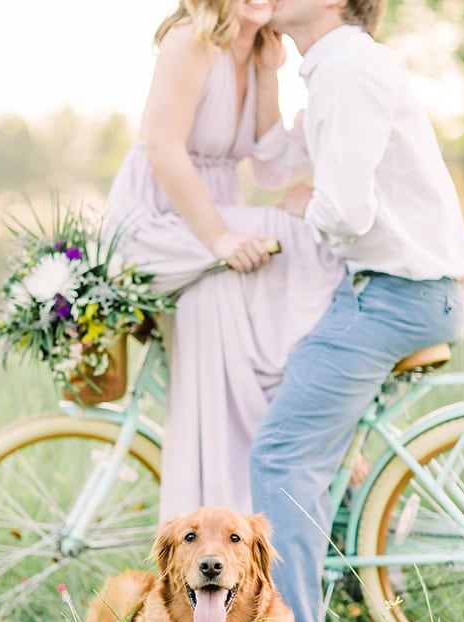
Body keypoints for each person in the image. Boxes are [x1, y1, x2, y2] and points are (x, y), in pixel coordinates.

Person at [249, 0, 464, 622]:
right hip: (403, 290)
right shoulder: (332, 70)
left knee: (281, 456)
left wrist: (304, 206)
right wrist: (267, 65)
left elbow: (343, 211)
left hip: (393, 295)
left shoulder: (347, 71)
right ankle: (354, 589)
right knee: (315, 445)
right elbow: (271, 164)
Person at [103, 0, 344, 521]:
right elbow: (162, 148)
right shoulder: (191, 38)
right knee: (285, 243)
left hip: (218, 212)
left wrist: (268, 73)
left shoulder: (263, 50)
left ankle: (305, 425)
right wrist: (218, 238)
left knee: (298, 247)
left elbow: (265, 167)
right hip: (159, 218)